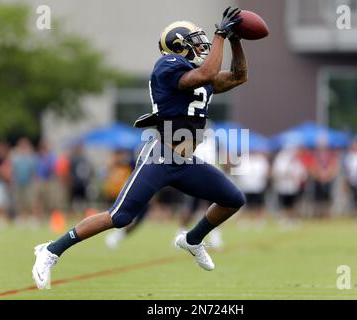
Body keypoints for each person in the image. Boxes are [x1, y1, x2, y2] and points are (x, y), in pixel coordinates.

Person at [32, 7, 247, 289]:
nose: (202, 46)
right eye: (195, 41)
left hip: (186, 160)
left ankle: (192, 239)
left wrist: (235, 39)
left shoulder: (198, 74)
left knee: (233, 199)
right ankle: (51, 250)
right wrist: (220, 34)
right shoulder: (168, 67)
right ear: (177, 46)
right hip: (161, 155)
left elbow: (238, 76)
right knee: (119, 217)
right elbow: (208, 73)